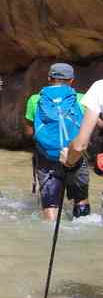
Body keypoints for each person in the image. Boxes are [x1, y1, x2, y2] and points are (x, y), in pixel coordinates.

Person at [25, 63, 91, 220]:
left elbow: (28, 132)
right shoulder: (81, 99)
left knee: (50, 204)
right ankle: (82, 228)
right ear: (72, 80)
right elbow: (91, 126)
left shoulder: (35, 100)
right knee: (80, 199)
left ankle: (49, 231)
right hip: (74, 155)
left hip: (46, 157)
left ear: (49, 78)